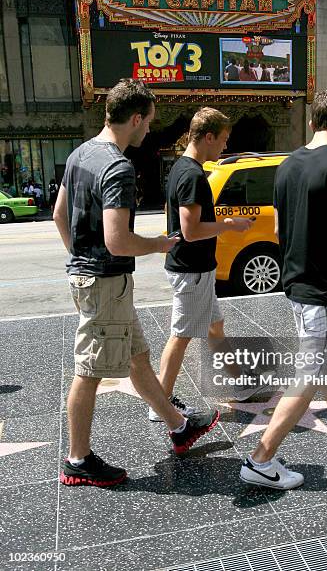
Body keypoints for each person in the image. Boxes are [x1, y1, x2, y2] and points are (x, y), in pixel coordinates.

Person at [53, 79, 219, 488]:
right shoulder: (117, 165)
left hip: (97, 278)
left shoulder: (80, 154)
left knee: (138, 357)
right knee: (89, 369)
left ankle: (179, 425)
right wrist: (160, 245)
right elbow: (117, 239)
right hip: (105, 281)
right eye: (149, 122)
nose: (150, 130)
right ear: (135, 118)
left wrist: (79, 259)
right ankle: (77, 459)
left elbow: (59, 213)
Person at [240, 89, 327, 490]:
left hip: (297, 283)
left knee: (326, 361)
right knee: (311, 371)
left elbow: (277, 229)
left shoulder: (287, 166)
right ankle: (260, 458)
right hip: (322, 288)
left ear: (311, 121)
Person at [148, 107, 255, 422]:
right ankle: (161, 404)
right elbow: (190, 231)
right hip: (191, 270)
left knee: (214, 327)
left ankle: (239, 385)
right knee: (180, 336)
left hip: (195, 269)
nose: (224, 147)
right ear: (208, 136)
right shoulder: (193, 175)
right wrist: (230, 225)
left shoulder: (183, 168)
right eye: (223, 140)